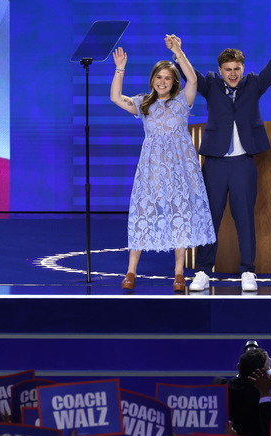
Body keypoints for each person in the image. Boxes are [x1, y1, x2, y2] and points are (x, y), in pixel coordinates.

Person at [167, 26, 271, 293]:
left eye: (237, 68)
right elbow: (190, 75)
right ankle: (204, 271)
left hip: (243, 163)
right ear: (220, 71)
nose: (232, 73)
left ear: (243, 69)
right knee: (210, 219)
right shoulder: (209, 83)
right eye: (228, 69)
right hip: (216, 163)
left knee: (245, 218)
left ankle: (247, 271)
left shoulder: (254, 83)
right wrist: (178, 52)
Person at [110, 36, 215, 293]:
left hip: (181, 169)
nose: (163, 82)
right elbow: (115, 97)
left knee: (179, 218)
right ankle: (131, 271)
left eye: (168, 78)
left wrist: (178, 51)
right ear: (152, 80)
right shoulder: (144, 104)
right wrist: (120, 69)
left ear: (173, 81)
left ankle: (179, 274)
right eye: (159, 77)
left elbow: (194, 80)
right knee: (142, 216)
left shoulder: (182, 102)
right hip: (152, 170)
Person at [212, 347, 271, 436]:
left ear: (238, 366)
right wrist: (269, 371)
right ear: (262, 372)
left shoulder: (218, 385)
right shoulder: (265, 397)